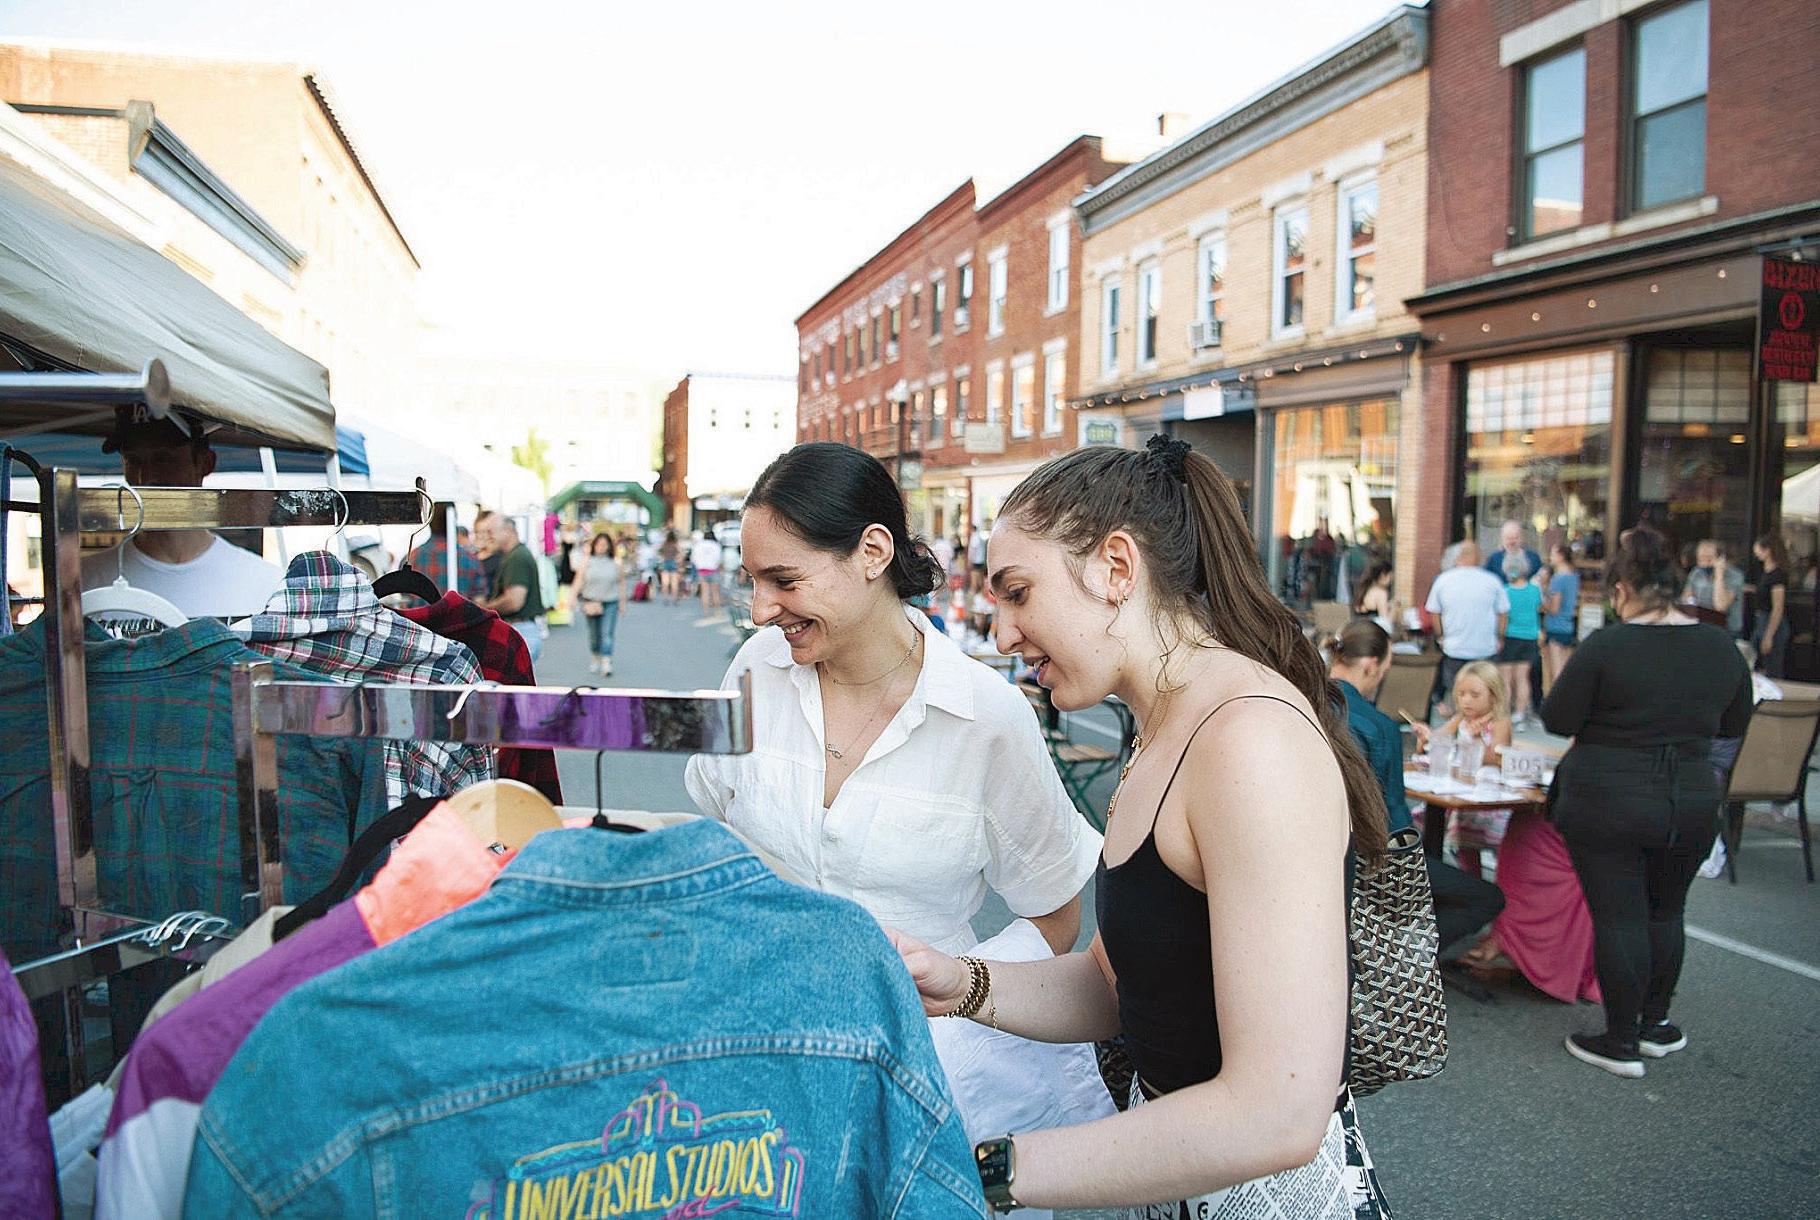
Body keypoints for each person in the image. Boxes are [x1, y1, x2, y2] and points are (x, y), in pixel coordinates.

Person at [888, 436, 1393, 1215]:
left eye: (1018, 593)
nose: (1004, 633)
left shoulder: (1249, 741)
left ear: (1116, 567)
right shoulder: (1165, 726)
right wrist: (961, 982)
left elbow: (1279, 1111)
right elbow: (1122, 985)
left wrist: (985, 1168)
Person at [683, 443, 1112, 1163]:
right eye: (752, 581)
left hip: (915, 1077)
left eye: (784, 580)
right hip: (751, 1052)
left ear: (873, 552)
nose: (759, 610)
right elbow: (715, 834)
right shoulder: (756, 669)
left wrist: (954, 1008)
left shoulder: (987, 717)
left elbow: (1053, 918)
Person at [1542, 526, 1752, 1077]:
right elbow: (1734, 723)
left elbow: (1558, 717)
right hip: (1691, 794)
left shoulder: (1608, 645)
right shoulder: (1720, 645)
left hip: (1609, 793)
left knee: (1619, 917)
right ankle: (1656, 1023)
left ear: (1621, 590)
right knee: (1668, 909)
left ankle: (1621, 1039)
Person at [1328, 620, 1505, 962]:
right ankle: (1397, 959)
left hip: (1315, 852)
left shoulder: (1299, 704)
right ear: (1371, 666)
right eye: (1384, 671)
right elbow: (1395, 826)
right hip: (1368, 861)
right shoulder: (1377, 725)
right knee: (1485, 898)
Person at [79, 406, 284, 618]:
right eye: (133, 461)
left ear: (205, 463)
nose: (144, 477)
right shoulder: (84, 582)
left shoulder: (265, 584)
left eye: (163, 459)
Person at [1415, 661, 1515, 869]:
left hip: (1485, 796)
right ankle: (1454, 872)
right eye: (1461, 694)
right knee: (1426, 820)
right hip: (1457, 789)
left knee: (1462, 828)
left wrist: (1476, 740)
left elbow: (1497, 758)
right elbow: (1439, 739)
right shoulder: (1461, 719)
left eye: (1474, 695)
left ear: (1494, 695)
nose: (1466, 700)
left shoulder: (1499, 722)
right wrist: (1426, 738)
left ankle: (1471, 878)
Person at [1424, 540, 1509, 716]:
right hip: (1484, 647)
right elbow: (1503, 613)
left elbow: (1434, 612)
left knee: (1458, 691)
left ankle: (1459, 722)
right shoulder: (1492, 581)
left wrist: (1441, 636)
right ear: (1479, 558)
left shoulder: (1444, 580)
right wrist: (1500, 637)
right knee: (1484, 691)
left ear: (1458, 558)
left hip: (1454, 647)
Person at [475, 515, 546, 662]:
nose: (488, 537)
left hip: (520, 630)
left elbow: (514, 601)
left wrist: (484, 608)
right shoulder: (515, 555)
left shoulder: (517, 557)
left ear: (507, 530)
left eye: (491, 532)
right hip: (522, 630)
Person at [401, 506, 486, 601]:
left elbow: (404, 598)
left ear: (429, 522)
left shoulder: (412, 558)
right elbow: (479, 601)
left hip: (421, 611)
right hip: (459, 610)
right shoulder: (471, 560)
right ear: (453, 521)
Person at [570, 533, 627, 675]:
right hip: (591, 601)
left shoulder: (616, 562)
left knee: (607, 633)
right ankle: (596, 655)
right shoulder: (587, 561)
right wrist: (572, 597)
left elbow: (621, 583)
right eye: (599, 544)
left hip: (610, 601)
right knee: (594, 635)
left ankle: (606, 660)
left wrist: (622, 602)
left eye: (605, 545)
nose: (602, 547)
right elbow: (579, 579)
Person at [1498, 556, 1544, 722]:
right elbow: (1540, 607)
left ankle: (1505, 712)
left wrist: (1499, 636)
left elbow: (1502, 615)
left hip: (1510, 636)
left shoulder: (1505, 591)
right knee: (1522, 677)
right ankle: (1520, 713)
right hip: (1530, 636)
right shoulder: (1534, 590)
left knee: (1506, 677)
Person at [1682, 539, 1744, 636]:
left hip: (1727, 630)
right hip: (1702, 626)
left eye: (1709, 559)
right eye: (1700, 559)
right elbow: (1686, 599)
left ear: (1721, 558)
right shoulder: (1696, 573)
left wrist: (1719, 576)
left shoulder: (1734, 576)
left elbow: (1721, 606)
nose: (1704, 563)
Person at [1751, 532, 1790, 677]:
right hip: (1761, 620)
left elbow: (1777, 607)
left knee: (1772, 667)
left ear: (1767, 550)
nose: (1756, 553)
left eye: (1758, 549)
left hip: (1771, 623)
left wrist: (1769, 636)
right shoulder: (1766, 573)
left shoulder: (1777, 575)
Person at [1542, 544, 1580, 688]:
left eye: (1553, 554)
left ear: (1561, 556)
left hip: (1555, 625)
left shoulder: (1558, 579)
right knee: (1565, 669)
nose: (1550, 557)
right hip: (1568, 624)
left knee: (1556, 671)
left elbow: (1554, 608)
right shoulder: (1574, 576)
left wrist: (1543, 599)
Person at [1484, 519, 1543, 586]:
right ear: (1502, 539)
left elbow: (1540, 579)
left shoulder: (1533, 558)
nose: (1511, 542)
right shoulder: (1494, 559)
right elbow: (1486, 579)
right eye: (1508, 538)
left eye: (1515, 538)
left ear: (1521, 538)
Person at [1352, 560, 1397, 635]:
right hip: (1371, 635)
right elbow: (1386, 624)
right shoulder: (1380, 593)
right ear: (1383, 575)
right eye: (1390, 576)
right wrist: (1394, 607)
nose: (1390, 581)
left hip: (1357, 632)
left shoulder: (1363, 590)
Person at [472, 509, 504, 597]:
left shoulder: (501, 560)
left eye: (484, 532)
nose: (479, 536)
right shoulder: (471, 558)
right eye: (476, 531)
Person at [691, 530, 723, 610]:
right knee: (715, 592)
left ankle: (706, 610)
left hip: (702, 571)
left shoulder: (699, 545)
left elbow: (694, 558)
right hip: (713, 570)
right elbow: (719, 558)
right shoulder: (716, 545)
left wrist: (699, 566)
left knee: (704, 591)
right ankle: (717, 610)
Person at [657, 529, 683, 603]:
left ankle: (665, 598)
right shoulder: (676, 544)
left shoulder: (664, 544)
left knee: (665, 583)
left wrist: (663, 557)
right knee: (674, 583)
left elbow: (659, 552)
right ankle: (674, 598)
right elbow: (680, 553)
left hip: (666, 562)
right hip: (674, 563)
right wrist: (678, 562)